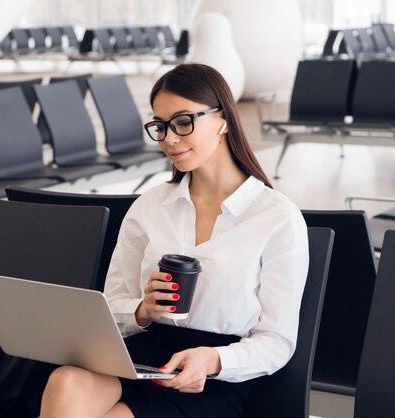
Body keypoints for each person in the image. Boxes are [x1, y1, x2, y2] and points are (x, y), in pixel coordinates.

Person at [39, 63, 309, 418]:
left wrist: (213, 359)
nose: (169, 138)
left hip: (210, 378)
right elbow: (113, 305)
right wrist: (143, 310)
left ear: (224, 119)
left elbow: (277, 342)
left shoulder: (277, 217)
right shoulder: (150, 206)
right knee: (65, 382)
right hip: (142, 357)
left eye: (183, 122)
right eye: (160, 126)